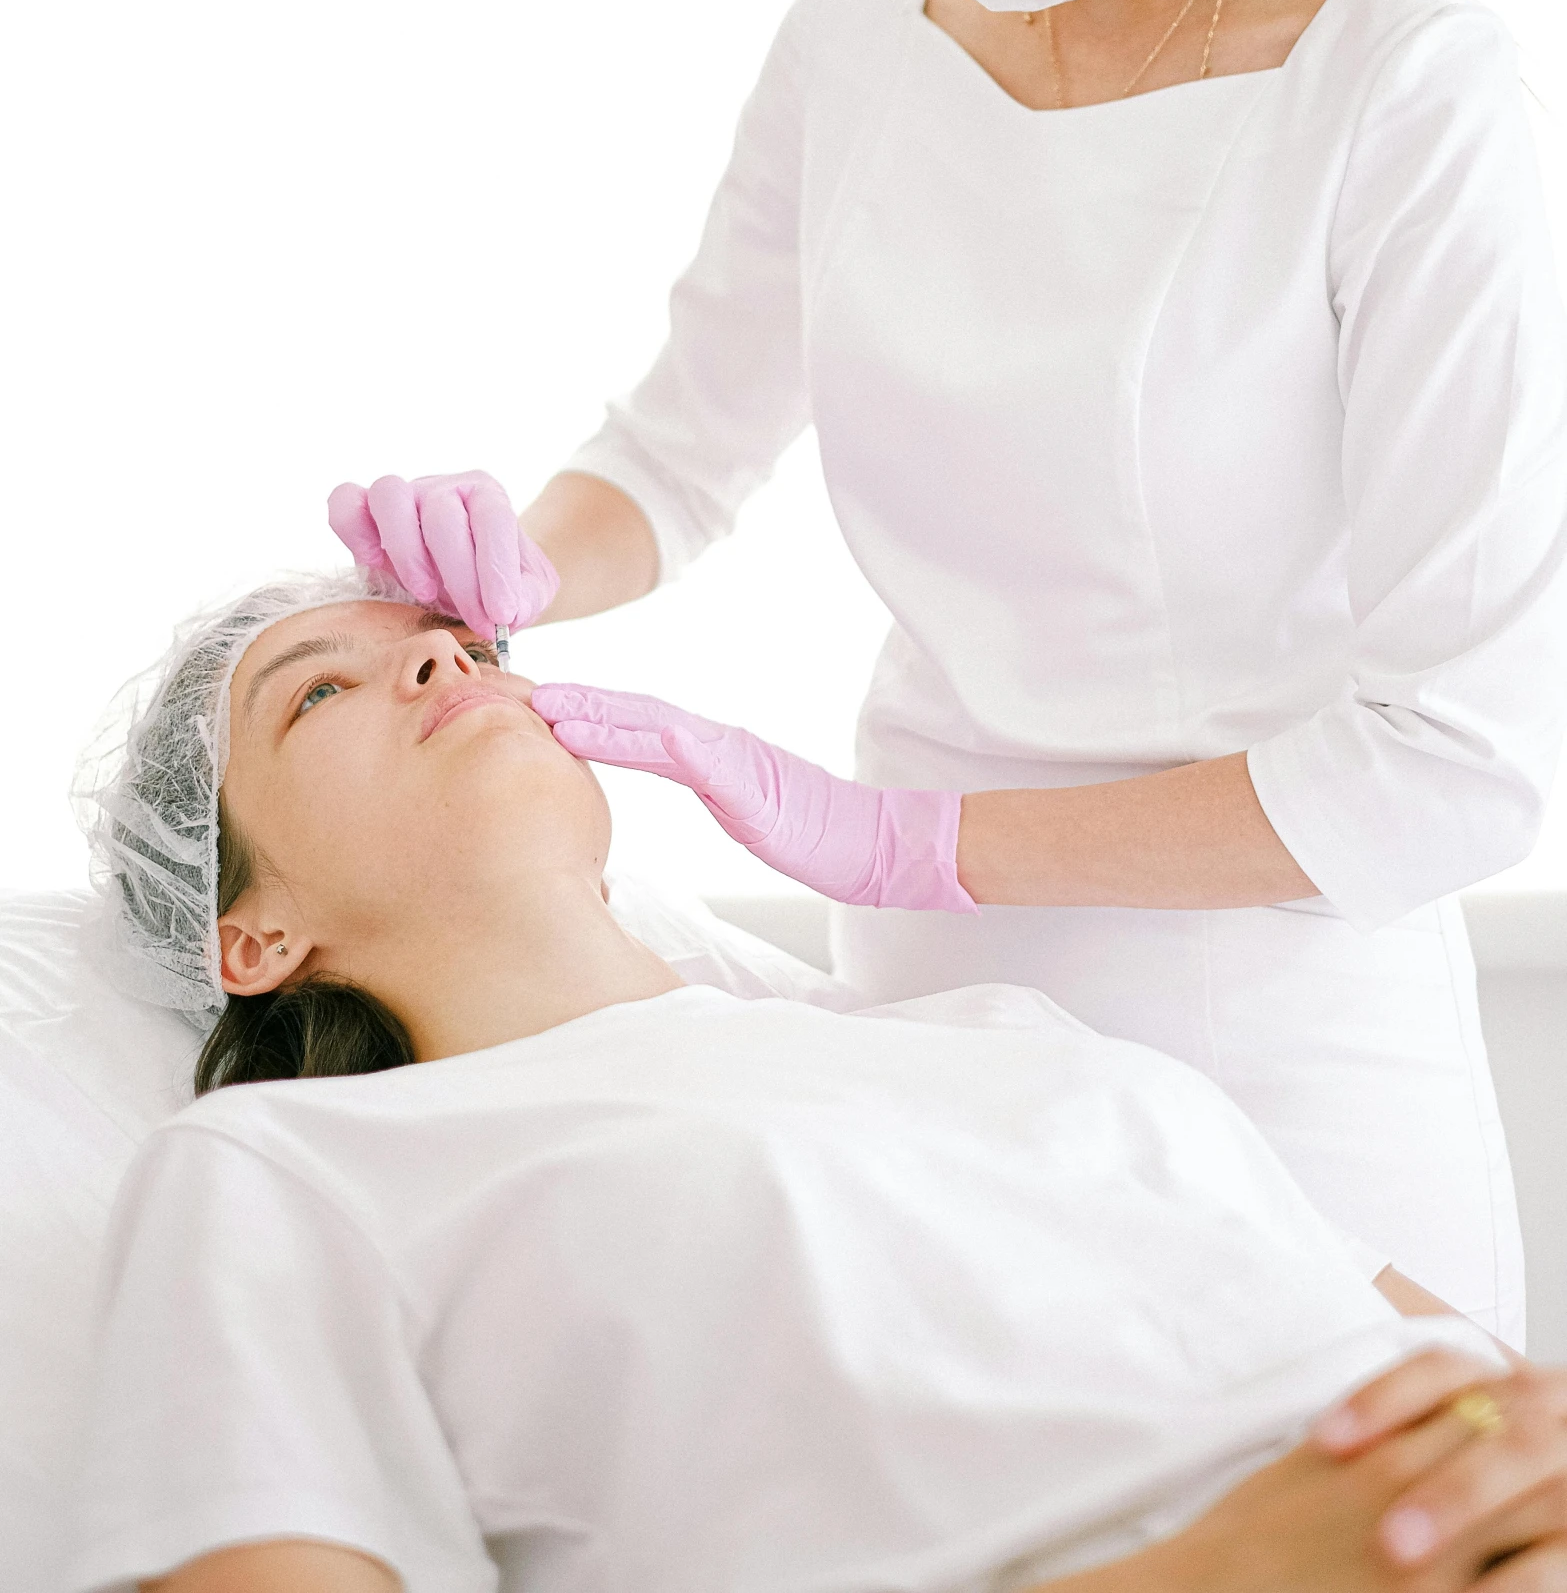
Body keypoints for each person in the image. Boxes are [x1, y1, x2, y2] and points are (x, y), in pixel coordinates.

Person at [327, 0, 1567, 1346]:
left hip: (1278, 1021)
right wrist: (517, 563)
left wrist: (920, 839)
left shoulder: (1409, 99)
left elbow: (1454, 766)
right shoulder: (855, 31)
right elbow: (678, 451)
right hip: (923, 1004)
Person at [68, 575, 1567, 1593]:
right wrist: (1211, 1571)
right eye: (315, 691)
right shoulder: (290, 1170)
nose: (441, 661)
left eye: (464, 646)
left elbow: (1485, 1378)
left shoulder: (996, 1030)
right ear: (250, 932)